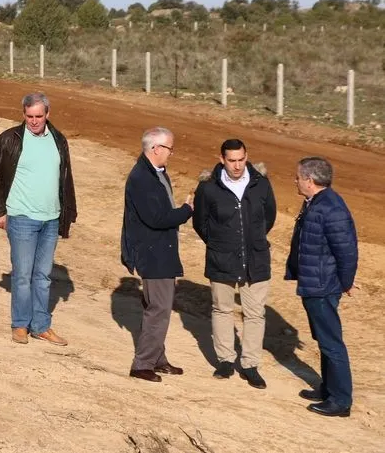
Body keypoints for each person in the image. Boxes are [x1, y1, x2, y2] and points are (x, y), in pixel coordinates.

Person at [0, 92, 77, 346]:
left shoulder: (58, 140)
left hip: (51, 218)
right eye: (29, 116)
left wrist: (68, 213)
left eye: (39, 116)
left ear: (48, 114)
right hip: (21, 217)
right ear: (23, 114)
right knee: (23, 275)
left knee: (43, 276)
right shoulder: (9, 139)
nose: (34, 121)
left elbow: (66, 179)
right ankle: (20, 325)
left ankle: (41, 326)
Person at [192, 138, 277, 389]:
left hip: (256, 258)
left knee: (255, 313)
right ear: (222, 160)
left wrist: (254, 240)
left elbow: (268, 217)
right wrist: (220, 243)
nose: (237, 166)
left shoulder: (261, 183)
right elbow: (200, 223)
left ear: (246, 156)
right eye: (232, 161)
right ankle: (226, 360)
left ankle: (250, 364)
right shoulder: (208, 187)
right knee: (222, 309)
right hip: (222, 258)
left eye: (241, 159)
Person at [285, 156, 358, 418]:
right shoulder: (318, 203)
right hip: (315, 283)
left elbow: (347, 251)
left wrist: (346, 282)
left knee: (331, 343)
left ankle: (340, 401)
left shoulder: (330, 208)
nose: (295, 180)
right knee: (323, 339)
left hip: (323, 286)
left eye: (298, 177)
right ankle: (328, 389)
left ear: (310, 180)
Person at [120, 127, 194, 382]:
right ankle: (142, 364)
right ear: (156, 149)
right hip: (152, 253)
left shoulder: (155, 173)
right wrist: (186, 211)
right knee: (159, 308)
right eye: (169, 148)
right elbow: (156, 218)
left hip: (161, 250)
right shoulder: (142, 177)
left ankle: (157, 359)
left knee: (159, 307)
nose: (171, 153)